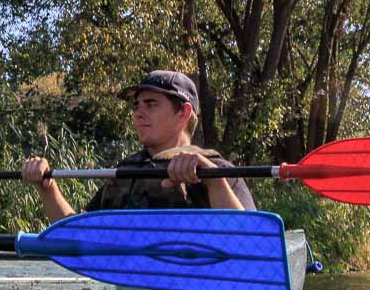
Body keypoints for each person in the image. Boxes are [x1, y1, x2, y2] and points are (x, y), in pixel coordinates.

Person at [21, 70, 254, 220]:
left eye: (151, 104)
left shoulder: (217, 169)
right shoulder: (125, 173)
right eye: (136, 106)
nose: (138, 114)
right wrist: (47, 188)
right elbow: (74, 239)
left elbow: (253, 245)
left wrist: (215, 182)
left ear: (183, 113)